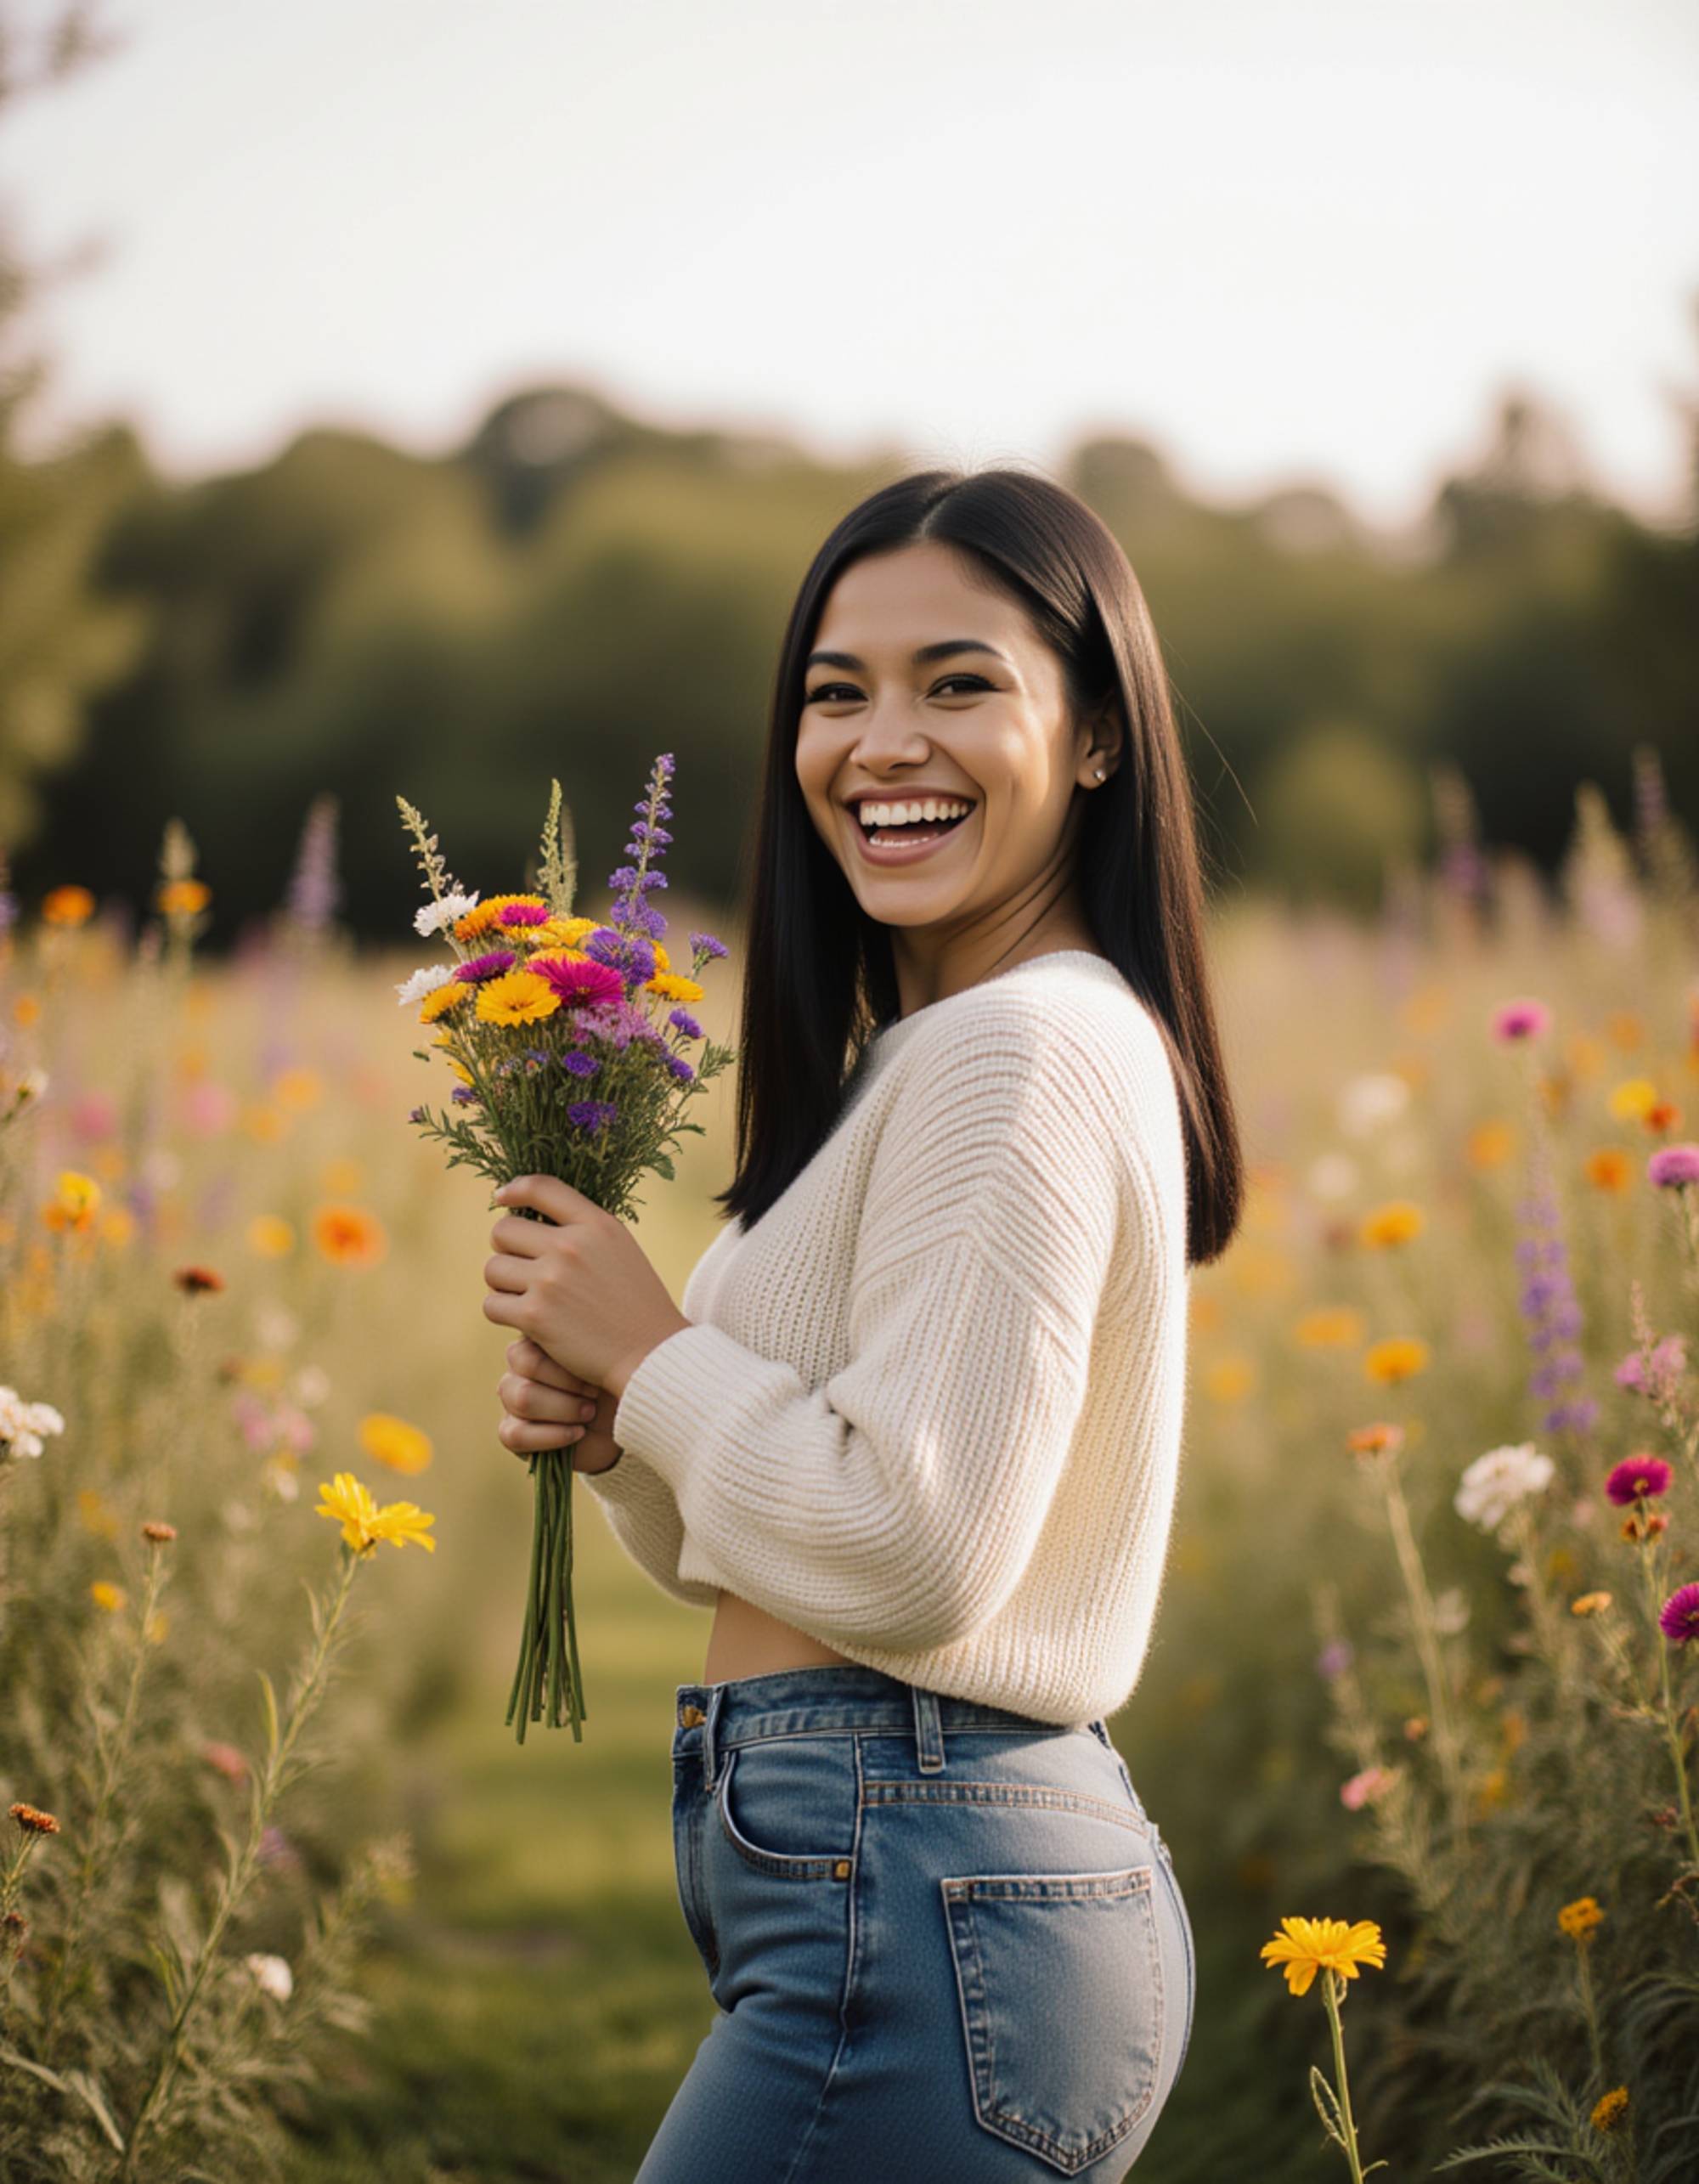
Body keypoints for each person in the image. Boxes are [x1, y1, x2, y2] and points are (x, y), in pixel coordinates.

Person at [488, 465, 1244, 2180]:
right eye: (837, 693)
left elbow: (913, 1555)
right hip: (910, 1862)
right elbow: (793, 1542)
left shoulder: (1016, 1048)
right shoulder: (937, 1048)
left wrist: (659, 1355)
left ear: (1100, 733)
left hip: (925, 1864)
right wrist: (629, 1431)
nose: (880, 742)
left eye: (958, 683)